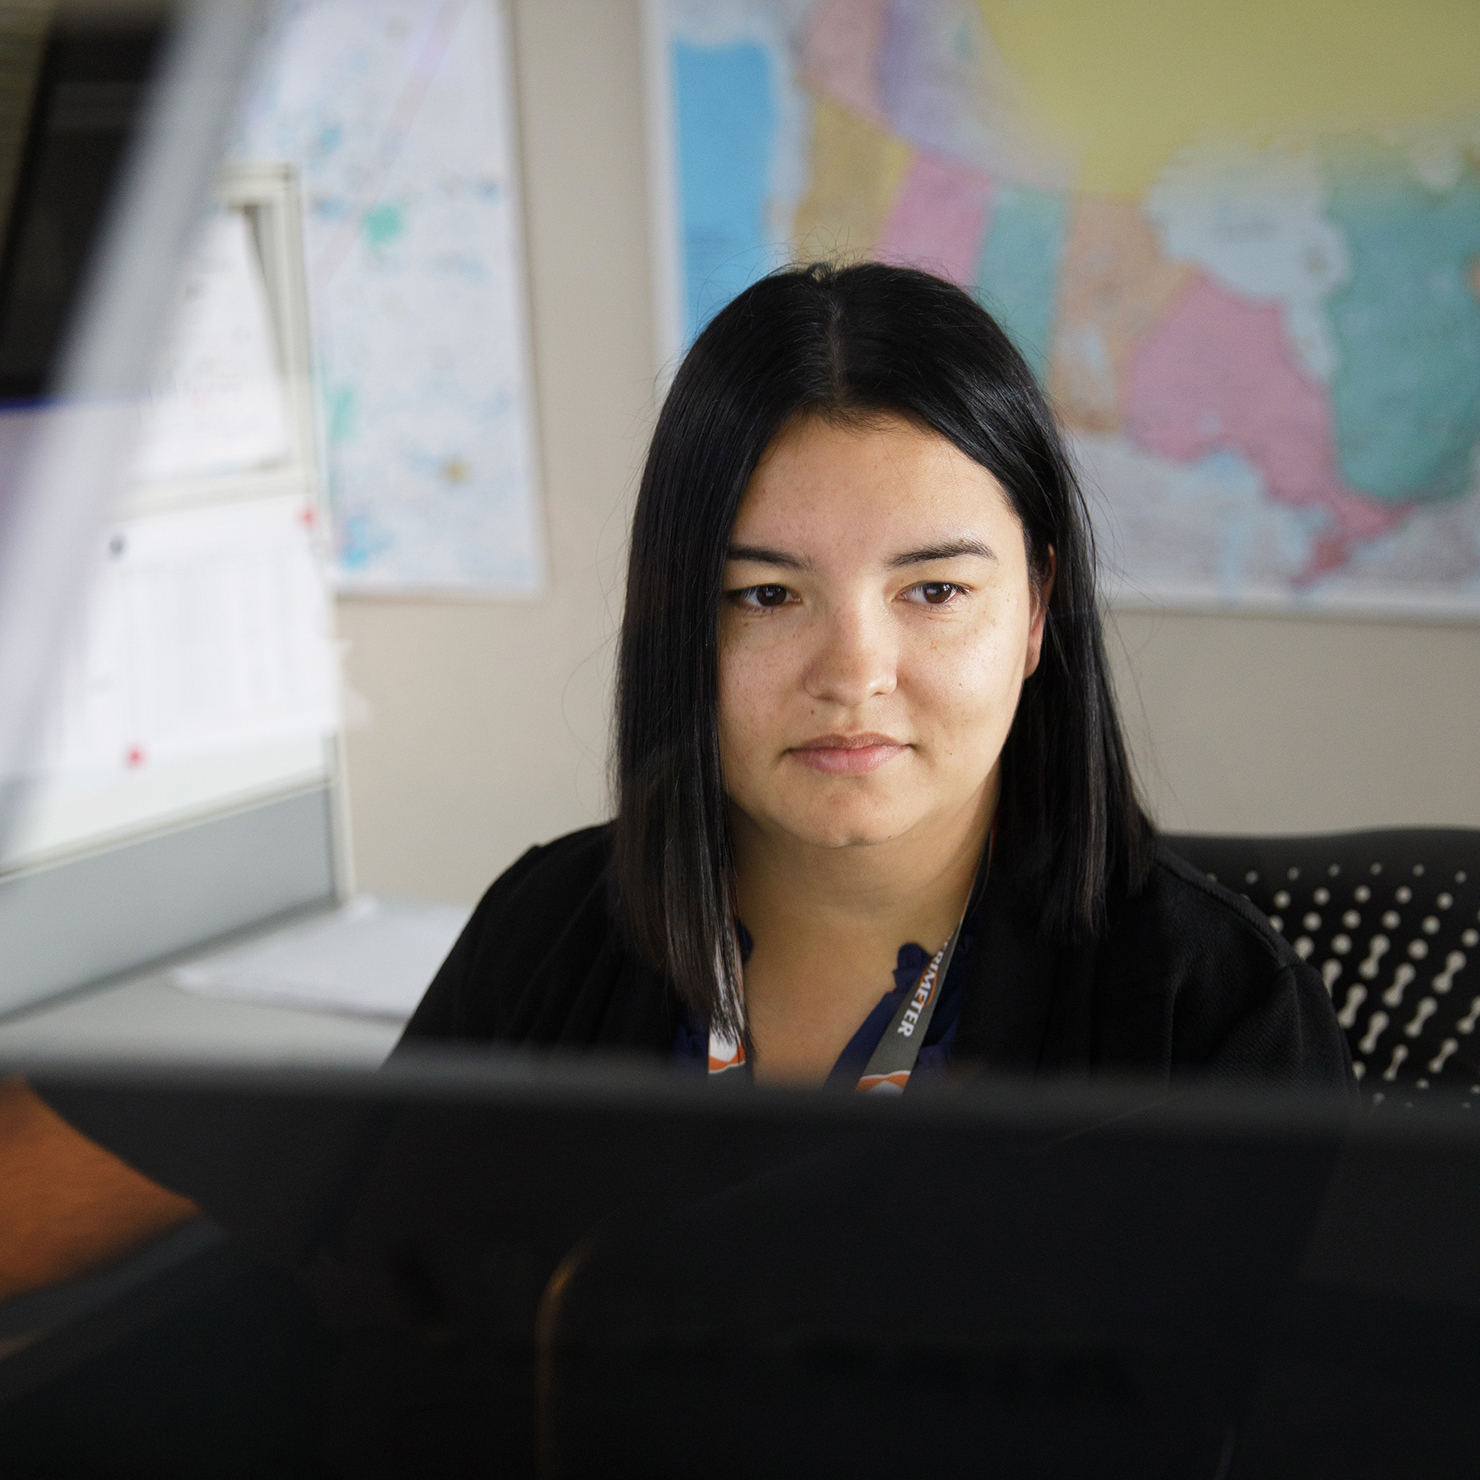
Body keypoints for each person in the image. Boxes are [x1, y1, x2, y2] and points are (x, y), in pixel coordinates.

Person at [0, 261, 1352, 1304]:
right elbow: (384, 1355)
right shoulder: (551, 932)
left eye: (933, 589)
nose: (853, 671)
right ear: (678, 625)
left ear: (1040, 607)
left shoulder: (1210, 1018)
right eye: (766, 595)